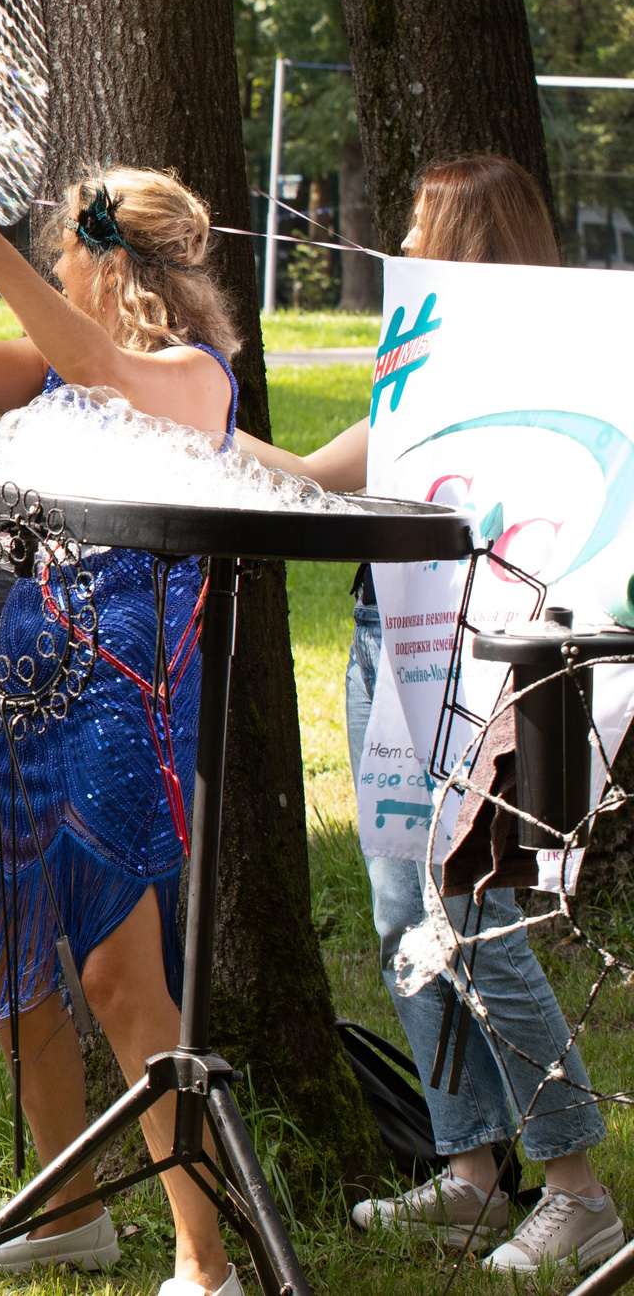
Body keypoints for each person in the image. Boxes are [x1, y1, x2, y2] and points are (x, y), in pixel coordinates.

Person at [245, 152, 617, 1275]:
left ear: (461, 245)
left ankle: (575, 1184)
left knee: (473, 913)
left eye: (416, 224)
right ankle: (467, 1171)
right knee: (405, 912)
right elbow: (321, 479)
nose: (397, 239)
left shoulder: (526, 379)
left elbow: (330, 483)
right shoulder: (417, 379)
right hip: (383, 649)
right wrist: (178, 429)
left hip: (482, 668)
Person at [0, 170, 243, 1296]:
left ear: (106, 264)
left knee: (120, 980)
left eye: (58, 258)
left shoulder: (193, 378)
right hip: (31, 660)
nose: (48, 276)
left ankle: (206, 1259)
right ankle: (69, 1208)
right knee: (21, 958)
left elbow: (105, 369)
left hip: (122, 675)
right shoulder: (51, 372)